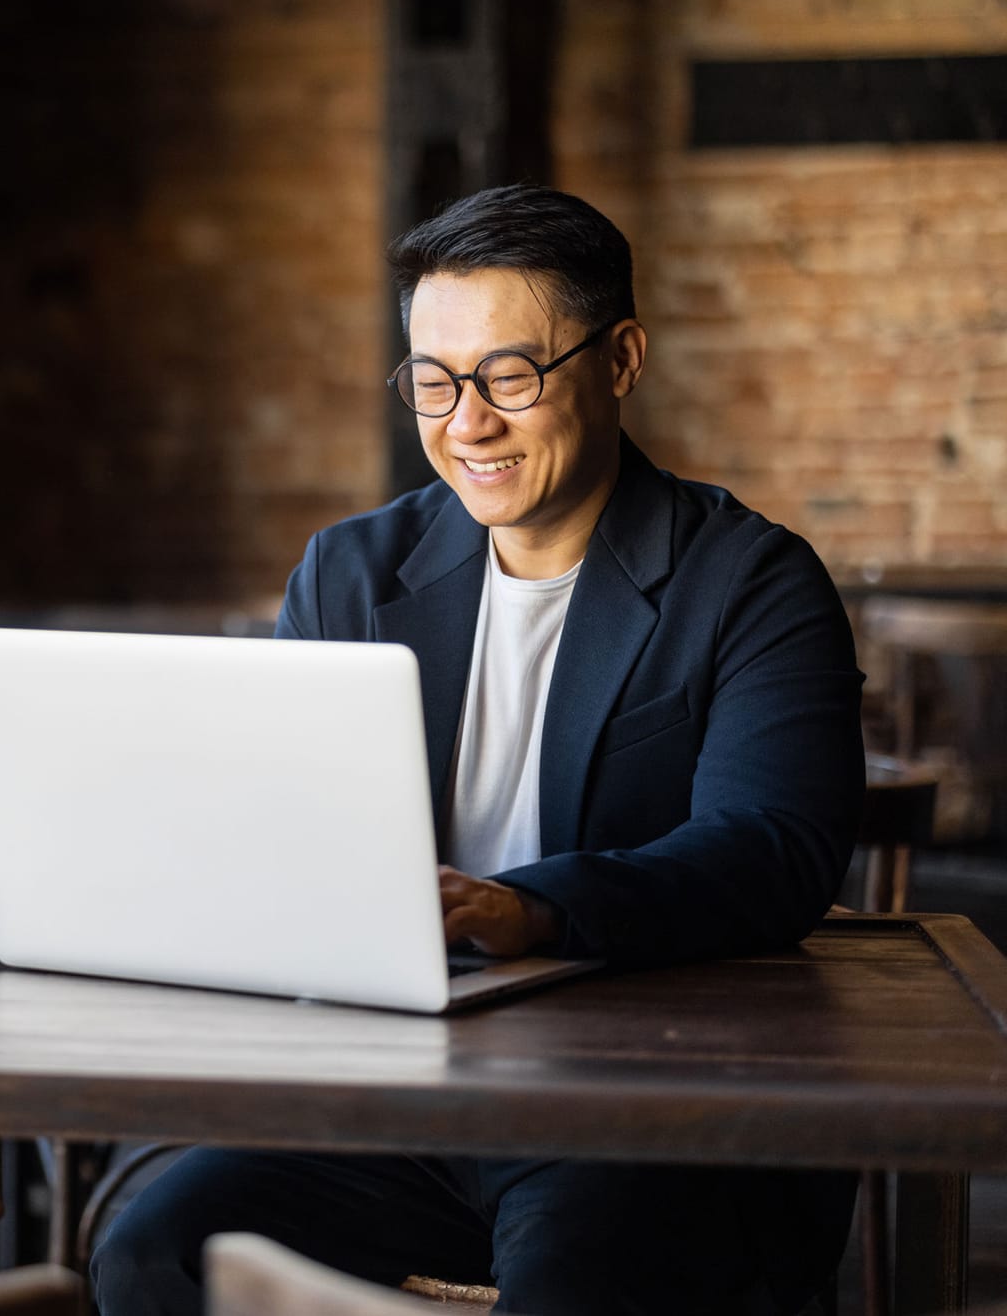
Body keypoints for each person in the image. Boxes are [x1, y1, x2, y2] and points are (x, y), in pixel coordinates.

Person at [92, 184, 864, 1316]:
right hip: (392, 1088)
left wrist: (530, 909)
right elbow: (280, 830)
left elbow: (772, 850)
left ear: (621, 360)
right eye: (434, 382)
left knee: (576, 1280)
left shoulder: (749, 580)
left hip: (630, 1101)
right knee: (154, 1250)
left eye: (510, 376)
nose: (467, 424)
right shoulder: (351, 573)